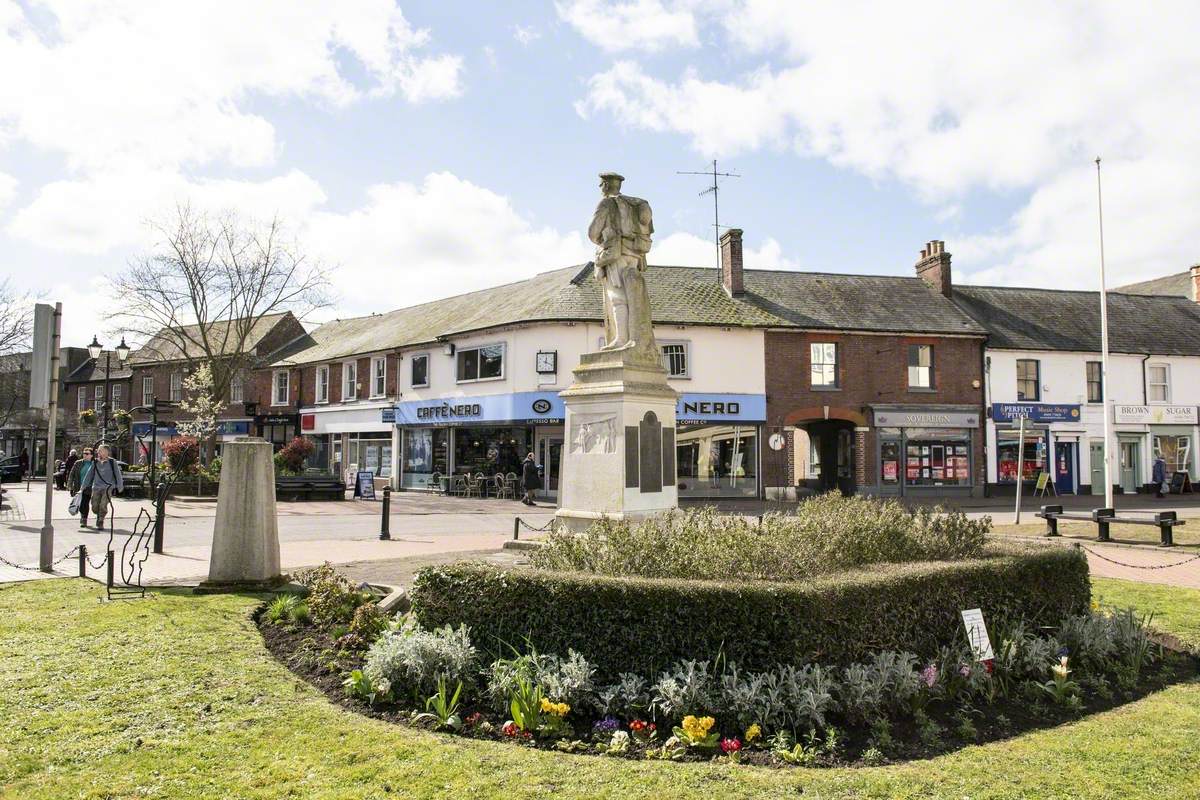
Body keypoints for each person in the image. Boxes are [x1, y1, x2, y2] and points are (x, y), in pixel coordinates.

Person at [81, 443, 123, 530]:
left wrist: (120, 486)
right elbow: (89, 475)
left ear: (106, 452)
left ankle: (100, 521)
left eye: (101, 450)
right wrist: (83, 486)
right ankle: (98, 515)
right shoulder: (95, 462)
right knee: (94, 506)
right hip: (96, 487)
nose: (98, 452)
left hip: (108, 487)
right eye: (98, 450)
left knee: (103, 505)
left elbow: (118, 474)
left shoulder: (112, 462)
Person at [67, 448, 95, 528]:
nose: (85, 455)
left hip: (89, 487)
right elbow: (71, 474)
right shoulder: (78, 463)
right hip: (78, 487)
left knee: (85, 503)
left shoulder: (94, 464)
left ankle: (84, 519)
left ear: (91, 455)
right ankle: (83, 518)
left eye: (87, 453)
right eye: (84, 453)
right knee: (81, 503)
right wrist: (70, 485)